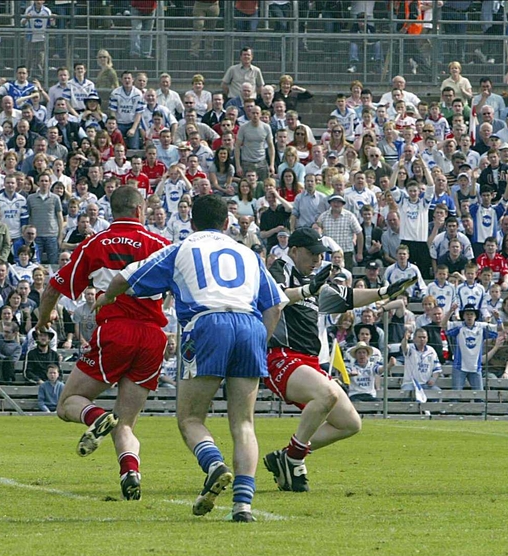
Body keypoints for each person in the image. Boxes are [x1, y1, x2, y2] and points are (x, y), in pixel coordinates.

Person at [97, 194, 285, 522]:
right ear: (227, 223)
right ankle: (243, 506)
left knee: (190, 418)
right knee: (243, 423)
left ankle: (214, 465)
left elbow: (125, 277)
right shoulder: (248, 254)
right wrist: (260, 340)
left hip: (207, 323)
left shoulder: (182, 247)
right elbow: (276, 304)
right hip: (250, 325)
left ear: (191, 223)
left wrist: (106, 299)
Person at [36, 186, 171, 501]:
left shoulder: (95, 244)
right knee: (127, 423)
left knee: (68, 402)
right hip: (153, 338)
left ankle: (96, 418)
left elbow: (54, 289)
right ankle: (130, 472)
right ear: (140, 211)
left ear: (113, 211)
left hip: (116, 332)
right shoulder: (161, 245)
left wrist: (43, 321)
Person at [262, 227, 416, 493]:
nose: (317, 260)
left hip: (307, 361)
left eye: (320, 255)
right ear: (295, 251)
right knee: (327, 395)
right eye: (311, 254)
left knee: (350, 424)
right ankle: (294, 459)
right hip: (280, 356)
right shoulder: (280, 268)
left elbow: (345, 298)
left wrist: (384, 291)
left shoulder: (313, 277)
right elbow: (275, 298)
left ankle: (286, 456)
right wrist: (309, 289)